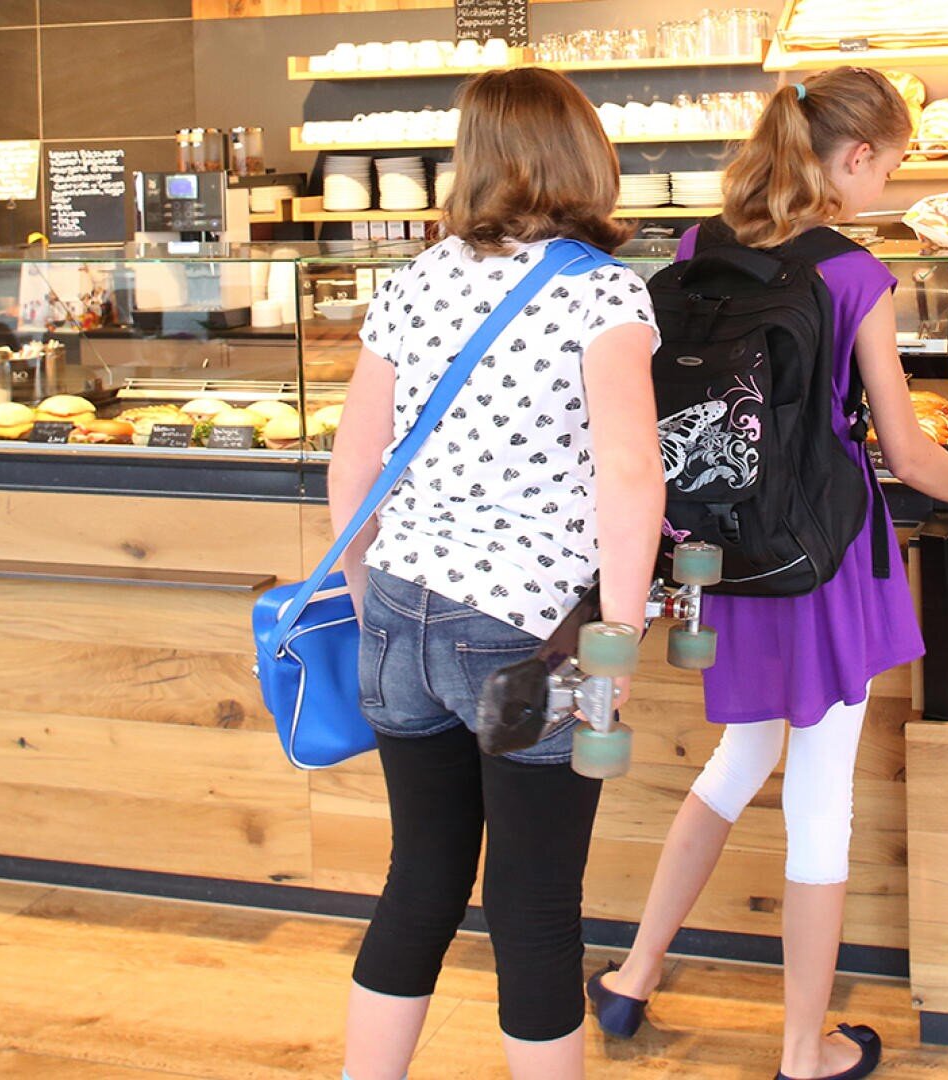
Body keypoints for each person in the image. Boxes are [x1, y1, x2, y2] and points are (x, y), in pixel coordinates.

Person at [587, 67, 948, 1080]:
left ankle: (633, 978)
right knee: (819, 795)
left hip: (728, 553)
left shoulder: (701, 245)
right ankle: (803, 1049)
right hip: (826, 561)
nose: (891, 183)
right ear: (858, 158)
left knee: (739, 761)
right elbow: (910, 455)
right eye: (896, 164)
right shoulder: (851, 273)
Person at [329, 67, 664, 1080]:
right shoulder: (602, 290)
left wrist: (367, 589)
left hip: (398, 614)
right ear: (585, 154)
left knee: (420, 879)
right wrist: (619, 635)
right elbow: (629, 471)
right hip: (526, 638)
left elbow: (354, 461)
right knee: (531, 901)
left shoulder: (418, 277)